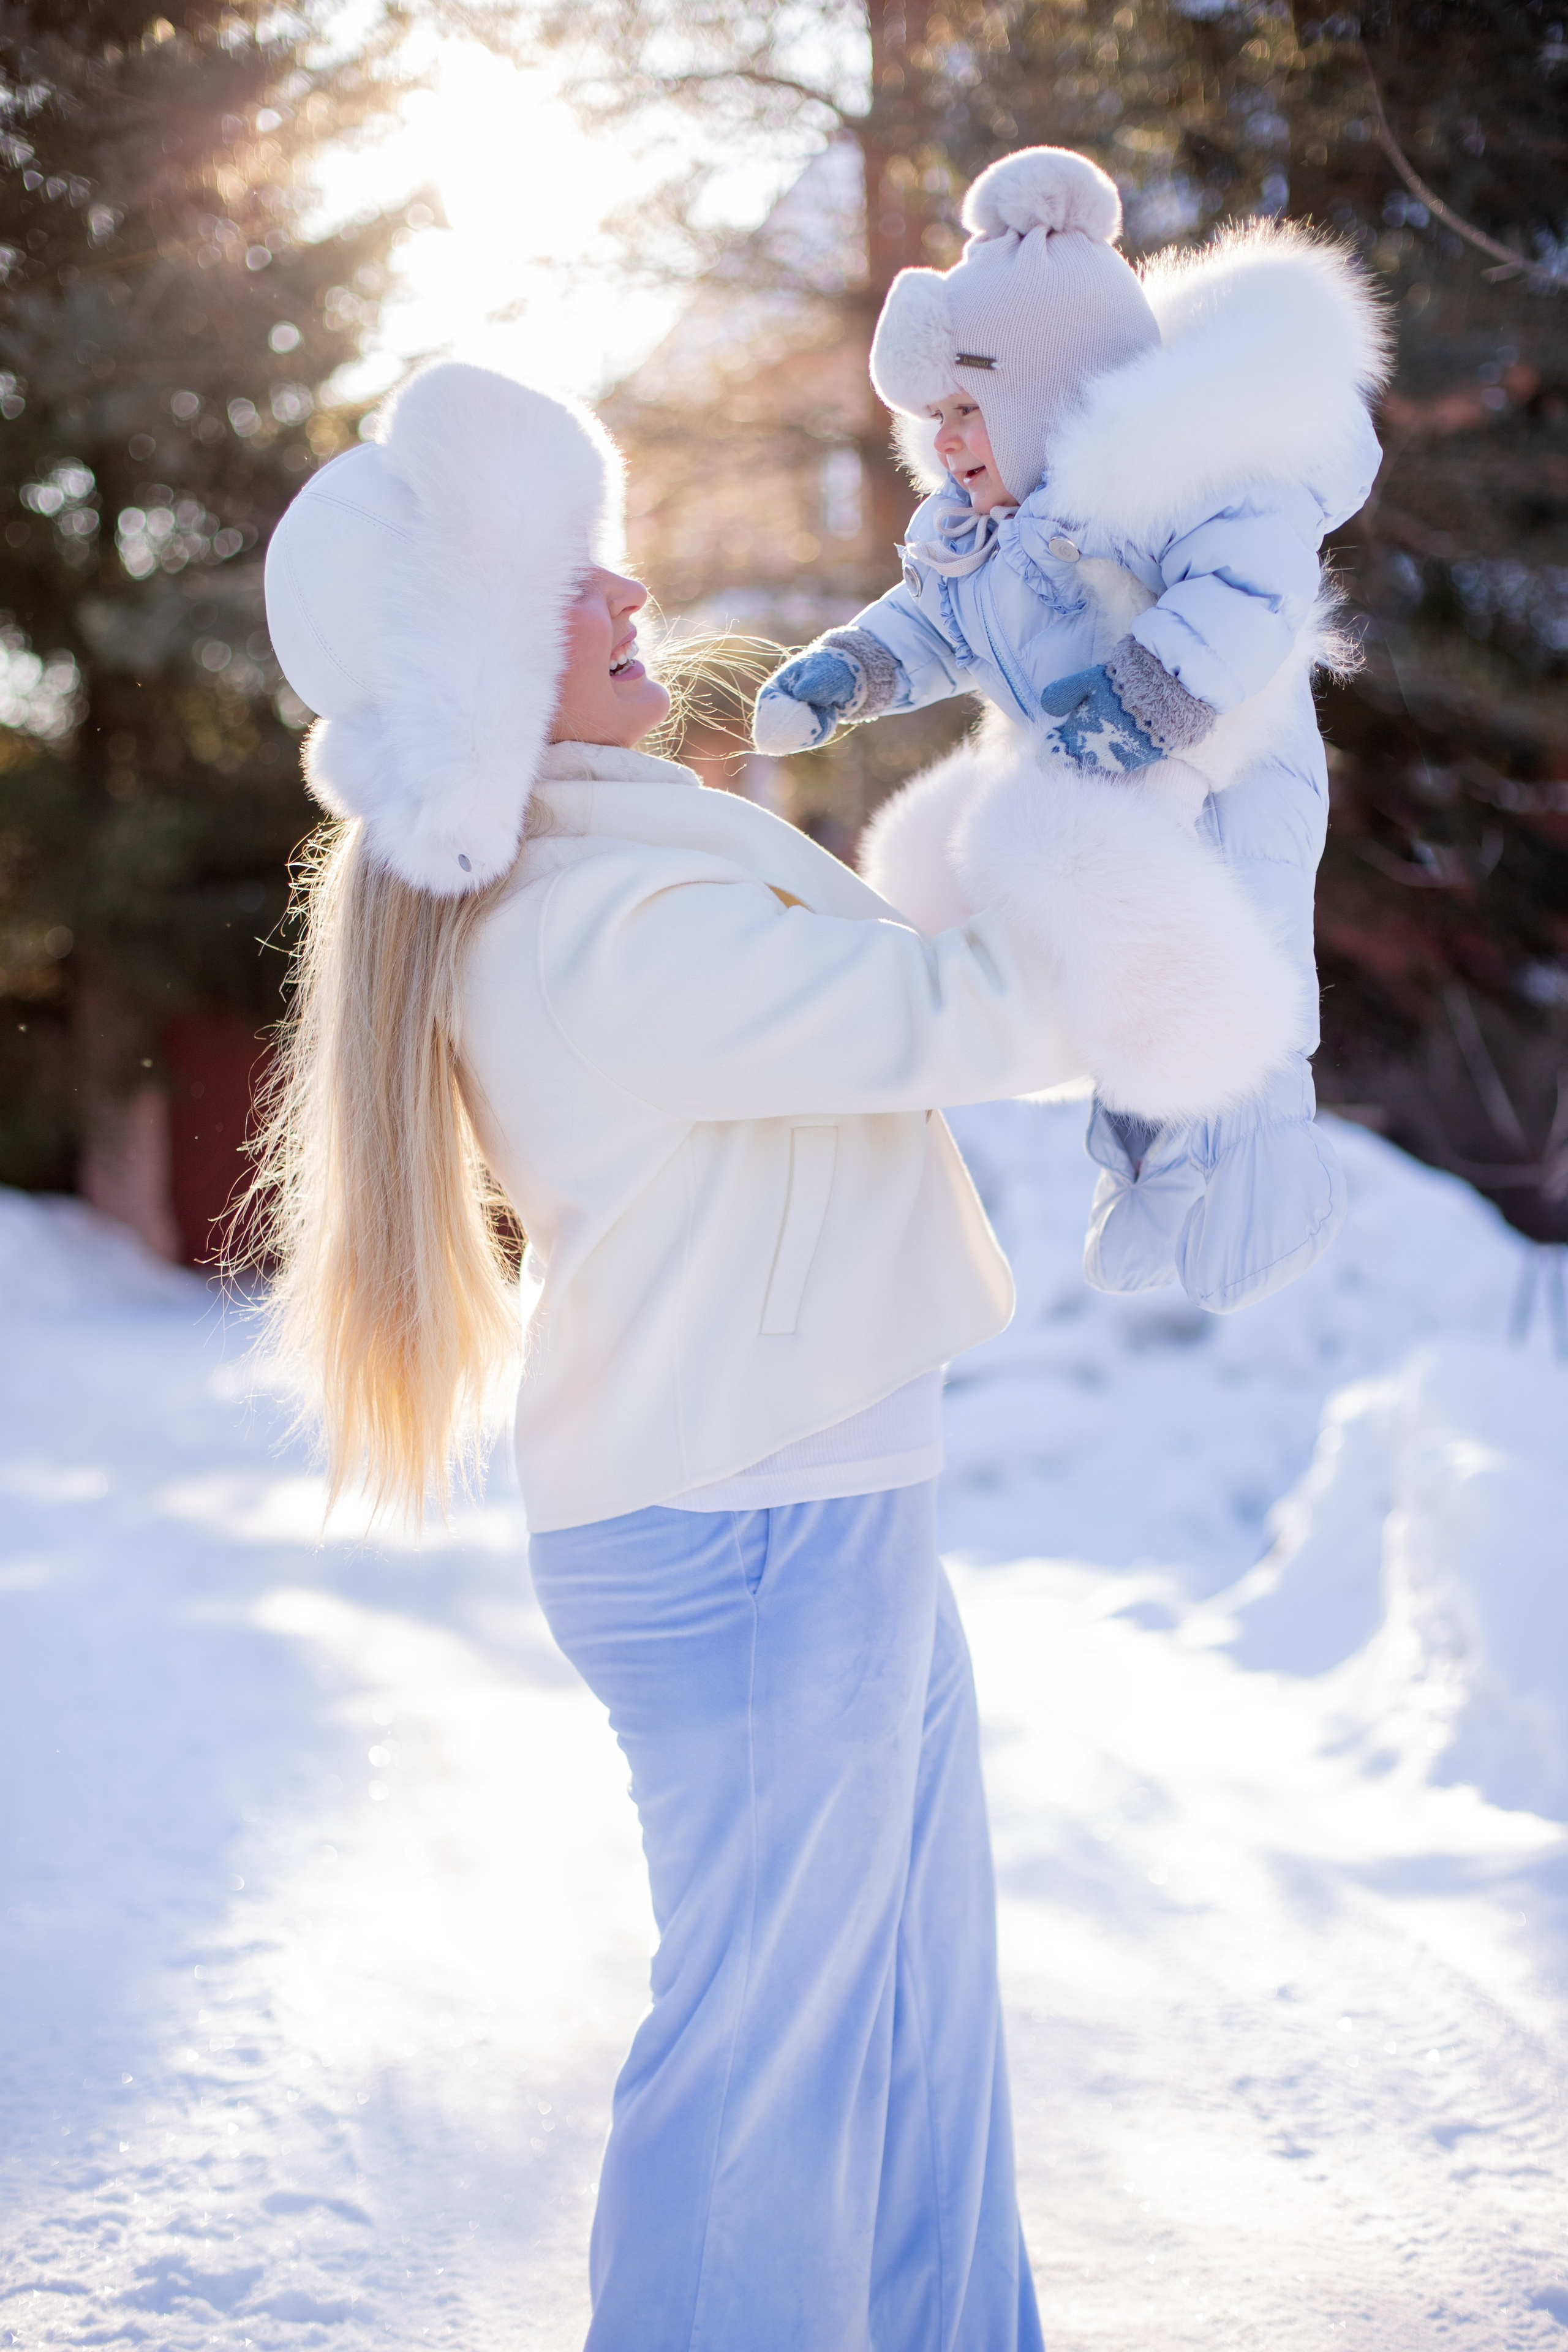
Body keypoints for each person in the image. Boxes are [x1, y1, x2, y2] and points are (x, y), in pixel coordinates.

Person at [254, 356, 1296, 2350]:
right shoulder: (594, 927)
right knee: (772, 2072)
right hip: (755, 1536)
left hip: (802, 1511)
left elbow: (902, 995)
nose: (628, 592)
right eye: (568, 580)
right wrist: (1134, 753)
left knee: (909, 2033)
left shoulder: (615, 869)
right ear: (479, 670)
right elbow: (957, 1015)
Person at [753, 144, 1390, 1316]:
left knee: (1239, 955)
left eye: (966, 408)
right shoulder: (980, 538)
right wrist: (847, 673)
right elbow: (929, 622)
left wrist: (1151, 697)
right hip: (1105, 777)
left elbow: (1247, 587)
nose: (946, 441)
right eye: (936, 416)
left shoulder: (1181, 477)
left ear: (1048, 385)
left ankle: (1267, 1163)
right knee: (1122, 961)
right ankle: (1145, 1169)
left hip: (1233, 767)